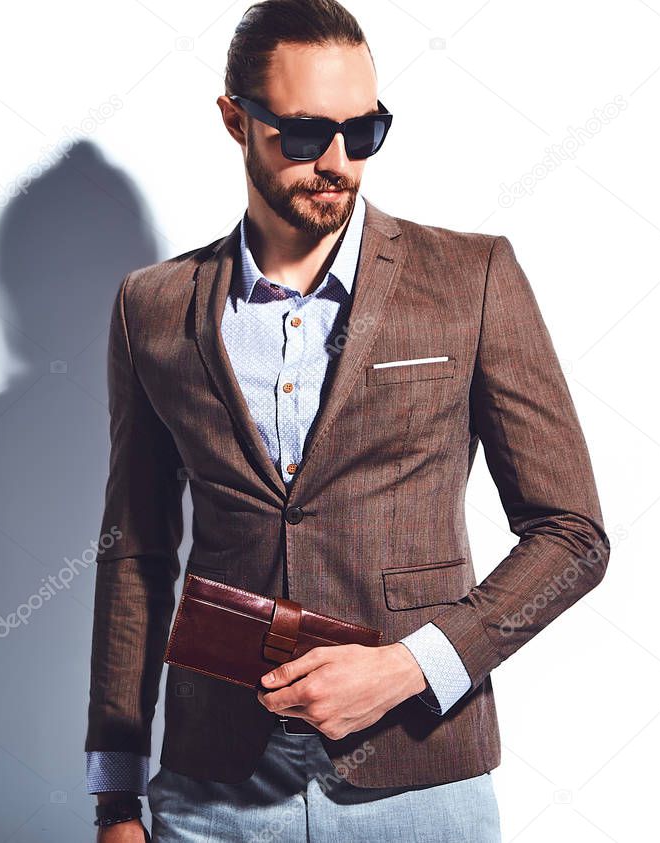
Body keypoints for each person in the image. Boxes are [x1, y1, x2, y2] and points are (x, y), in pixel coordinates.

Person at [85, 1, 609, 840]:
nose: (335, 161)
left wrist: (409, 667)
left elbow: (571, 535)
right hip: (212, 786)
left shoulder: (470, 278)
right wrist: (115, 795)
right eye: (301, 135)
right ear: (234, 120)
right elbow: (137, 556)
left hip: (418, 774)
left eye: (361, 131)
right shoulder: (150, 308)